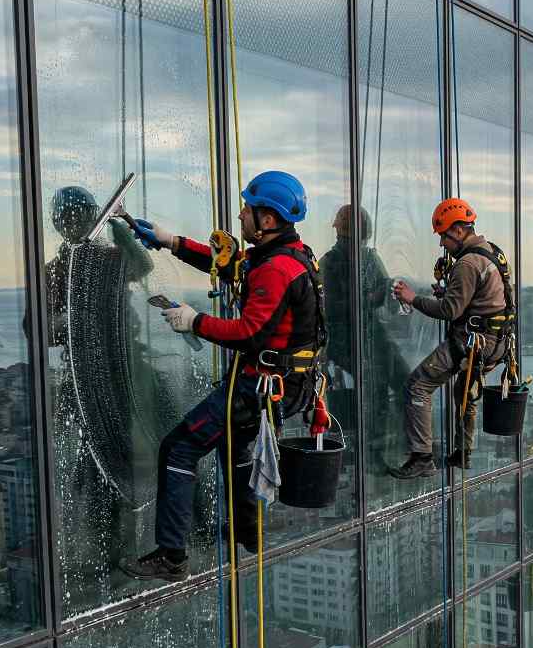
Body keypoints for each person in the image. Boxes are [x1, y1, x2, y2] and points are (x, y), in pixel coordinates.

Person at [119, 170, 326, 582]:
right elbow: (229, 265)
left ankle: (172, 556)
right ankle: (248, 531)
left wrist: (194, 321)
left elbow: (250, 331)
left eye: (248, 208)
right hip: (285, 383)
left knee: (179, 448)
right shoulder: (289, 256)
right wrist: (170, 242)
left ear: (267, 220)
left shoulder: (275, 270)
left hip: (261, 385)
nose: (241, 214)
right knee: (236, 447)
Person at [388, 198, 514, 478]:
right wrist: (451, 293)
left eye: (444, 236)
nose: (442, 243)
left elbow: (448, 311)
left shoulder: (468, 263)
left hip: (472, 341)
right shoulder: (492, 252)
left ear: (458, 231)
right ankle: (463, 452)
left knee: (417, 386)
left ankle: (421, 457)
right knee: (463, 391)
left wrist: (412, 298)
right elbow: (488, 298)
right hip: (496, 341)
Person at [319, 204, 411, 451]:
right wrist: (370, 297)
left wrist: (386, 290)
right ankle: (379, 442)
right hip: (345, 337)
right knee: (379, 380)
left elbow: (382, 289)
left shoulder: (367, 258)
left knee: (402, 379)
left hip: (367, 331)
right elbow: (332, 307)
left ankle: (392, 440)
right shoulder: (332, 262)